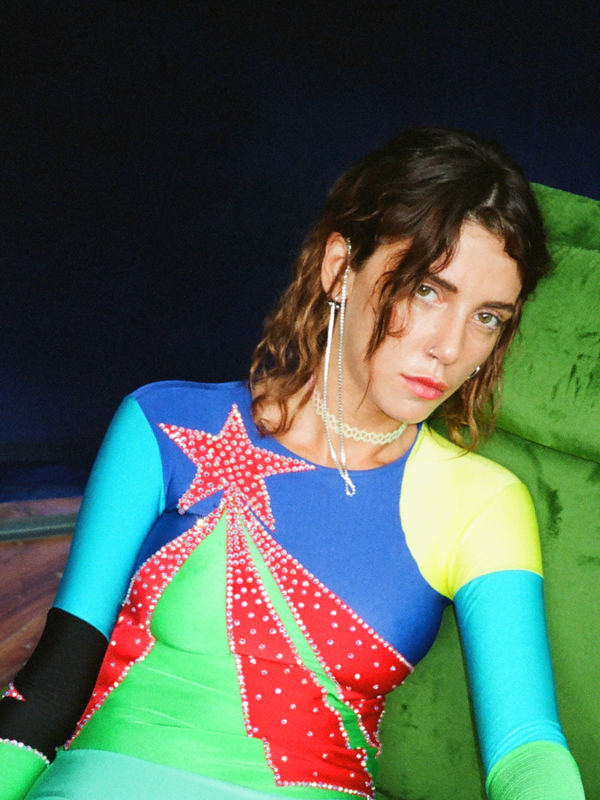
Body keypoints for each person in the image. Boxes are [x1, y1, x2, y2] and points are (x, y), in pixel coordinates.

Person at [0, 127, 586, 800]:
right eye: (427, 290)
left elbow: (526, 747)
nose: (450, 348)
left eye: (488, 318)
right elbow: (47, 692)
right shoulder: (161, 424)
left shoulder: (481, 501)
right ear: (339, 267)